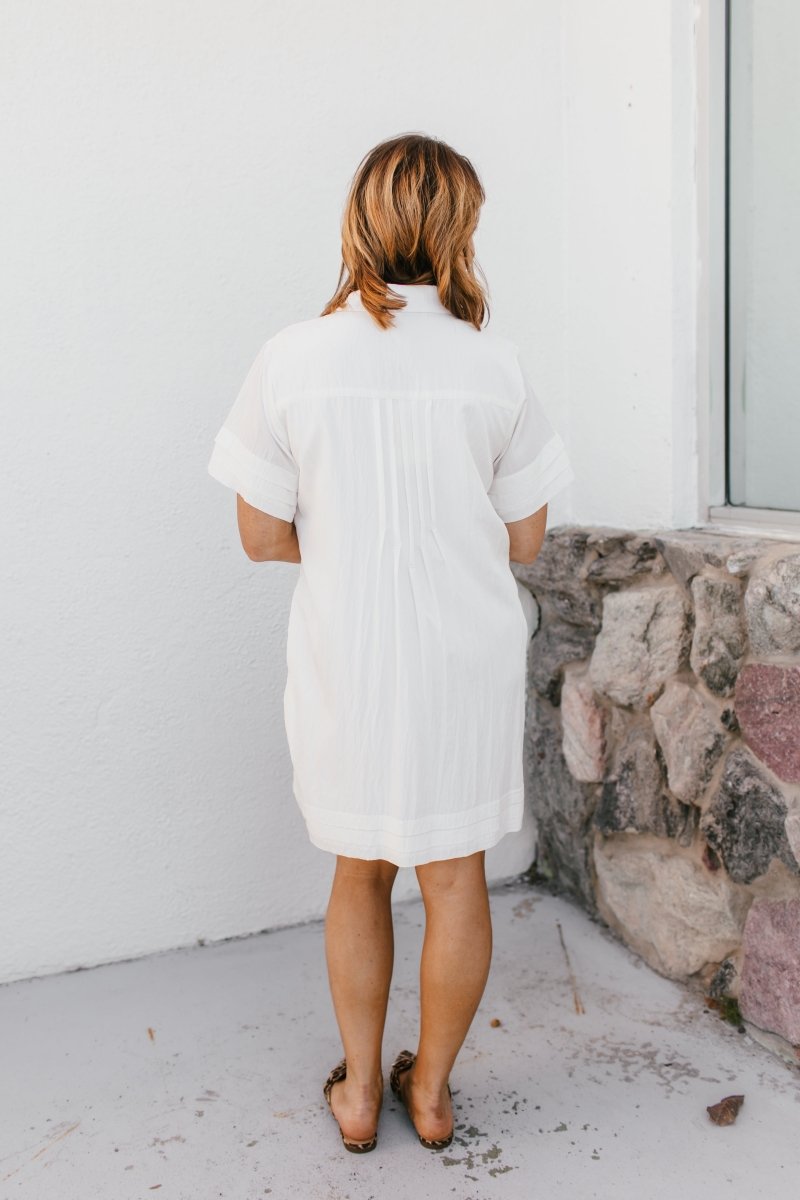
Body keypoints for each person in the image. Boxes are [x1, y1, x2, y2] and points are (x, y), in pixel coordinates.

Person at [207, 132, 575, 1154]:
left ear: (359, 222)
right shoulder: (495, 364)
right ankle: (435, 1094)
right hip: (464, 659)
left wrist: (346, 544)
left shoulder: (293, 355)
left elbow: (258, 535)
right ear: (460, 229)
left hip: (350, 655)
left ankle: (362, 1093)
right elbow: (526, 539)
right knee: (455, 876)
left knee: (360, 870)